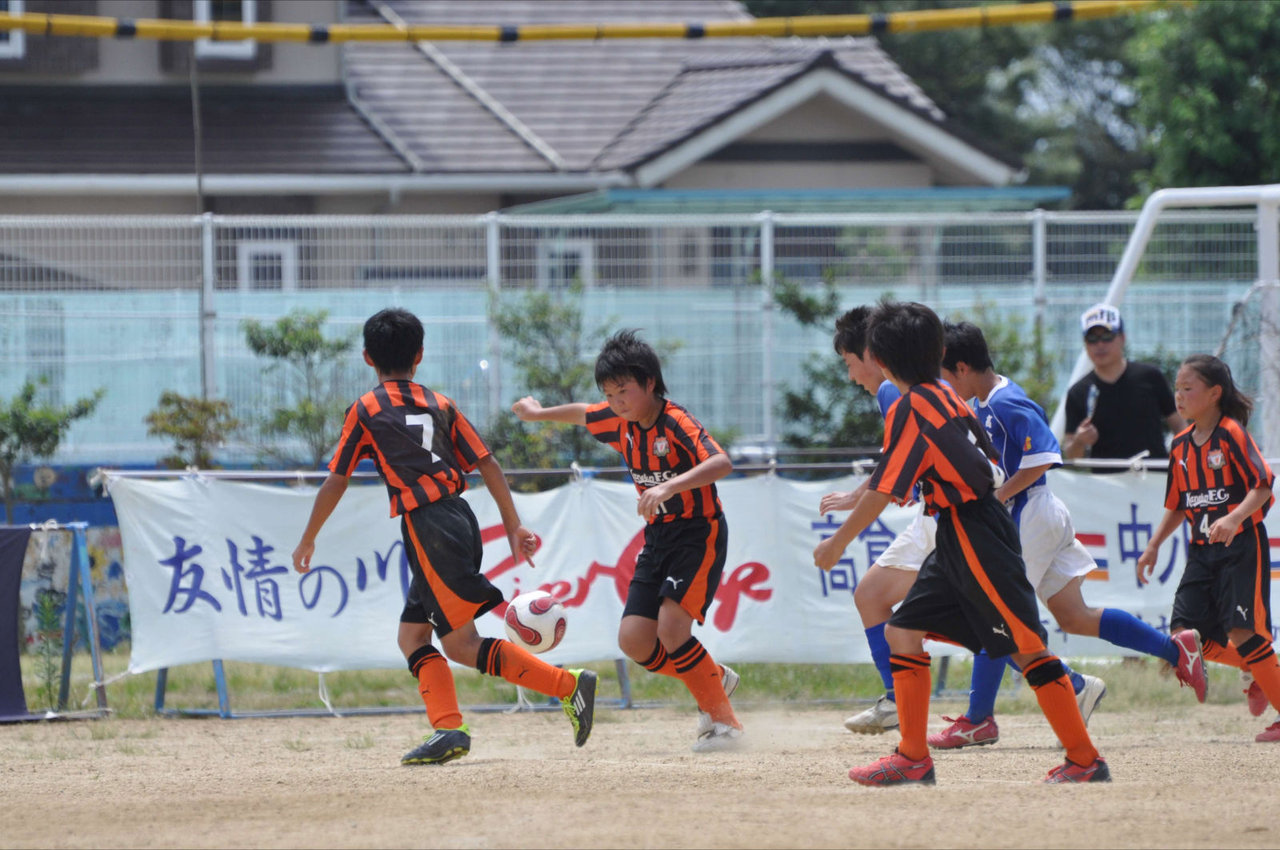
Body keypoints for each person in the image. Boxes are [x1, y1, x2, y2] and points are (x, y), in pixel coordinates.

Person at [814, 300, 1108, 786]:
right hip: (960, 529)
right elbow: (983, 462)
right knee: (902, 631)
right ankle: (912, 757)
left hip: (975, 533)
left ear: (882, 360)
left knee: (1028, 648)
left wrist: (838, 543)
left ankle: (1084, 759)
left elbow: (887, 489)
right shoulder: (945, 395)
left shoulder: (913, 406)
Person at [292, 307, 597, 766]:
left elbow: (337, 478)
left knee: (459, 644)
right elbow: (488, 462)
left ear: (366, 357)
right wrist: (513, 525)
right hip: (458, 516)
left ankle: (566, 686)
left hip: (427, 527)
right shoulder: (441, 403)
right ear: (419, 355)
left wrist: (308, 537)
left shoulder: (366, 409)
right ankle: (448, 728)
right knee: (413, 636)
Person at [931, 320, 1207, 749]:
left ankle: (979, 719)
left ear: (962, 368)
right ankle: (1174, 651)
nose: (942, 385)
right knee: (1075, 616)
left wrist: (997, 496)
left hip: (1028, 515)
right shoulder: (986, 398)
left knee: (994, 613)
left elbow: (1044, 455)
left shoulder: (1005, 401)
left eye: (944, 375)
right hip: (1037, 514)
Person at [512, 329, 743, 752]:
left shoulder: (676, 421)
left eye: (623, 390)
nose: (616, 401)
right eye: (609, 392)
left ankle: (724, 724)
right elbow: (583, 413)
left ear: (649, 383)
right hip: (658, 537)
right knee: (635, 641)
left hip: (698, 533)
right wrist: (538, 413)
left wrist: (670, 486)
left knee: (674, 631)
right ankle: (712, 676)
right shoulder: (619, 421)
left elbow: (721, 461)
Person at [1137, 353, 1280, 744]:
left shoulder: (1231, 432)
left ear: (1215, 393)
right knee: (1186, 636)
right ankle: (1262, 671)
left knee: (1244, 632)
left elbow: (1263, 484)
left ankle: (1266, 677)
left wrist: (1234, 518)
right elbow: (1178, 504)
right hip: (1201, 552)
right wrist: (1152, 546)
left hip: (1240, 547)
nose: (1179, 397)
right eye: (1177, 389)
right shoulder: (1180, 445)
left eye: (1188, 388)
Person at [819, 306, 935, 735]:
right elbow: (895, 460)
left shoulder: (891, 391)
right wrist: (855, 495)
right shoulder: (918, 388)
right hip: (943, 515)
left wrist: (837, 542)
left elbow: (889, 484)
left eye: (850, 364)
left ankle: (1069, 686)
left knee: (984, 624)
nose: (851, 376)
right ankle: (897, 702)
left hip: (948, 518)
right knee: (873, 596)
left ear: (873, 354)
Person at [1063, 303, 1184, 468]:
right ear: (1085, 344)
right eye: (1092, 338)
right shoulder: (1078, 392)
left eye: (1107, 336)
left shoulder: (1150, 376)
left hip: (1154, 478)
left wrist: (1184, 464)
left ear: (1122, 338)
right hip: (1105, 484)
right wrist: (1079, 440)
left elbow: (1179, 424)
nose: (1100, 345)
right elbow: (1071, 455)